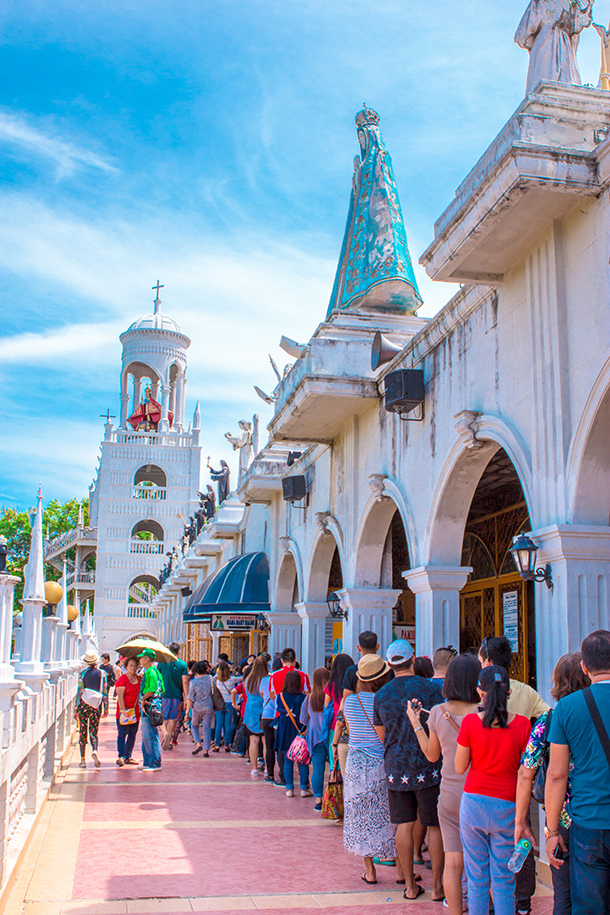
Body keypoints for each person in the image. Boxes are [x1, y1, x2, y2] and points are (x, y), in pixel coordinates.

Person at [516, 652, 590, 915]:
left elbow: (526, 773)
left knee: (564, 894)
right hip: (593, 812)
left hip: (560, 820)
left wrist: (522, 821)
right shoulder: (596, 716)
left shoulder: (548, 720)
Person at [407, 653, 481, 915]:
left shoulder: (438, 712)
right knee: (483, 861)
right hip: (480, 791)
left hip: (449, 792)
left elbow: (431, 755)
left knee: (453, 862)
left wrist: (416, 722)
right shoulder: (484, 713)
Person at [479, 635, 548, 913]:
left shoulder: (480, 691)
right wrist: (533, 749)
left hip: (485, 782)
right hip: (520, 777)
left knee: (486, 846)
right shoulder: (525, 692)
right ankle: (522, 902)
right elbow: (547, 717)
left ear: (488, 662)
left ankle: (492, 902)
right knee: (522, 838)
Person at [455, 665, 531, 915]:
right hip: (508, 805)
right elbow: (524, 772)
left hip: (474, 802)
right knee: (504, 879)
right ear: (508, 693)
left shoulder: (469, 723)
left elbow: (459, 767)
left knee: (476, 877)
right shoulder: (522, 726)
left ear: (480, 692)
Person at [373, 639, 444, 902]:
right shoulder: (431, 689)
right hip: (429, 764)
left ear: (390, 664)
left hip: (396, 766)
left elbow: (382, 735)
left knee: (403, 823)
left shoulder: (382, 695)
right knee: (433, 825)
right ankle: (437, 885)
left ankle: (410, 886)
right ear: (412, 659)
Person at [546, 630, 610, 915]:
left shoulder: (567, 708)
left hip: (588, 824)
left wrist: (552, 831)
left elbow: (557, 775)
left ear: (585, 667)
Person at [341, 654, 399, 885]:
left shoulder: (350, 702)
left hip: (356, 764)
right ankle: (400, 868)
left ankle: (370, 871)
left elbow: (349, 727)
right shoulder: (384, 700)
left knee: (360, 817)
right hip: (379, 763)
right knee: (388, 815)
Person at [276, 670, 312, 797]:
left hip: (284, 731)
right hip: (300, 731)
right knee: (302, 759)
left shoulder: (280, 696)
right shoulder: (304, 698)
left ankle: (289, 788)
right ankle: (303, 788)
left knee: (288, 760)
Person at [300, 666, 331, 809]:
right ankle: (333, 798)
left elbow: (303, 720)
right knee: (333, 769)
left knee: (317, 769)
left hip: (314, 738)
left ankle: (318, 801)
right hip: (330, 737)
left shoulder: (309, 698)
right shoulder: (331, 697)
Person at [75, 649, 109, 769]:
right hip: (96, 704)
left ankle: (82, 760)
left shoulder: (82, 674)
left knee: (83, 730)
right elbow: (104, 691)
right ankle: (94, 750)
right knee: (94, 730)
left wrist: (76, 707)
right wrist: (106, 707)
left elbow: (79, 691)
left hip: (84, 704)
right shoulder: (103, 674)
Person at [157, 642, 189, 750]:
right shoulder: (183, 664)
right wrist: (186, 697)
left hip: (164, 694)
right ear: (179, 652)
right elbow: (185, 682)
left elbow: (157, 678)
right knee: (172, 719)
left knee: (162, 717)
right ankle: (168, 740)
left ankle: (165, 733)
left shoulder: (161, 663)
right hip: (176, 695)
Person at [324, 653, 354, 764]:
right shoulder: (355, 683)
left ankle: (334, 778)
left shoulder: (331, 684)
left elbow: (326, 705)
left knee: (334, 758)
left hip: (334, 725)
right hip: (352, 724)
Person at [138, 648, 164, 771]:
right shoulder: (152, 671)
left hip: (150, 706)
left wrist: (143, 698)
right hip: (151, 705)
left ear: (147, 659)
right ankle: (147, 761)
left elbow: (152, 689)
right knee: (146, 735)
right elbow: (162, 689)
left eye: (142, 658)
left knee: (151, 735)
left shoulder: (151, 672)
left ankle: (155, 762)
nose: (140, 660)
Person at [115, 656, 142, 767]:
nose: (133, 667)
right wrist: (123, 712)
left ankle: (128, 755)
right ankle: (121, 756)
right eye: (131, 665)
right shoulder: (122, 679)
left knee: (132, 734)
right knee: (122, 733)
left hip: (135, 711)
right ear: (126, 666)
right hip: (124, 711)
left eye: (135, 665)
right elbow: (120, 697)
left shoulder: (139, 679)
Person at [243, 656, 267, 777]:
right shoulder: (267, 679)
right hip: (265, 711)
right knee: (266, 741)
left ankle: (254, 768)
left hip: (251, 711)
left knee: (253, 740)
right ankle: (267, 767)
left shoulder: (248, 679)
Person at [261, 662, 283, 784]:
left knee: (269, 746)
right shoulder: (288, 677)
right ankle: (283, 774)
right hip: (279, 716)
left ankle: (269, 774)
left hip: (267, 715)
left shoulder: (266, 680)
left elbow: (264, 695)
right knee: (280, 747)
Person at [187, 660, 214, 756]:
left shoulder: (194, 682)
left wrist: (187, 712)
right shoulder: (211, 679)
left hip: (197, 708)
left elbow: (190, 698)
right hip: (209, 707)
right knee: (206, 728)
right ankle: (206, 750)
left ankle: (198, 743)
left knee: (194, 726)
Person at [343, 631, 381, 697]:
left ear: (359, 648)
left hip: (359, 706)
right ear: (377, 646)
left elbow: (346, 697)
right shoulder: (388, 670)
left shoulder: (352, 671)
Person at [214, 661, 240, 752]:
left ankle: (217, 745)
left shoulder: (216, 679)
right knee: (228, 725)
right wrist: (235, 671)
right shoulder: (232, 679)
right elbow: (242, 678)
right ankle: (227, 744)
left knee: (219, 725)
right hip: (229, 703)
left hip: (219, 704)